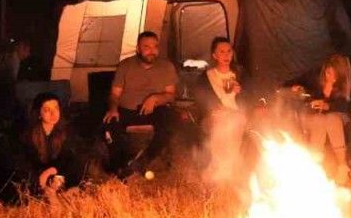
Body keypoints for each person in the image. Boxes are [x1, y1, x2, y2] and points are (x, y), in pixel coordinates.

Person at [103, 32, 180, 174]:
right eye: (146, 47)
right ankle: (121, 164)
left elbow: (170, 96)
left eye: (155, 47)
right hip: (128, 110)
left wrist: (155, 98)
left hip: (155, 110)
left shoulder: (166, 66)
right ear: (138, 48)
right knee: (109, 125)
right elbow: (114, 94)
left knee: (172, 122)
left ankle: (144, 159)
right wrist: (113, 108)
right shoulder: (125, 65)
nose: (152, 51)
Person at [193, 37, 253, 182]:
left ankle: (226, 168)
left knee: (235, 119)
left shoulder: (240, 74)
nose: (226, 55)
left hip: (237, 114)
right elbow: (201, 101)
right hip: (214, 115)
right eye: (222, 52)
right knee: (222, 120)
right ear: (214, 55)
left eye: (229, 51)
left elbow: (250, 97)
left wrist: (241, 92)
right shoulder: (207, 77)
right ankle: (220, 167)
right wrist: (212, 109)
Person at [298, 53, 351, 181]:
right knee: (319, 120)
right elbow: (308, 97)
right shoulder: (318, 82)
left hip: (339, 115)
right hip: (318, 116)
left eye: (334, 75)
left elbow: (345, 105)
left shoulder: (345, 86)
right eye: (328, 73)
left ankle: (342, 167)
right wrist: (304, 94)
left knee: (331, 119)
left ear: (340, 75)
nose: (330, 77)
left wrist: (328, 106)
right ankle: (314, 165)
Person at [19, 92, 84, 195]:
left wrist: (50, 171)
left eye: (56, 108)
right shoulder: (29, 135)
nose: (53, 114)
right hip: (36, 176)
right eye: (47, 110)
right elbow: (27, 163)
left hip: (58, 173)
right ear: (39, 113)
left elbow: (68, 158)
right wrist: (41, 177)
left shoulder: (66, 131)